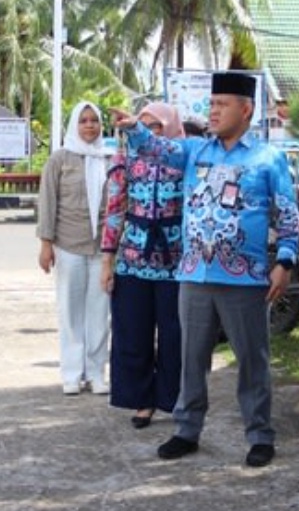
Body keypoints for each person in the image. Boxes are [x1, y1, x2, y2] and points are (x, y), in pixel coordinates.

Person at [112, 72, 299, 468]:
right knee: (190, 358)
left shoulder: (268, 158)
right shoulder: (196, 151)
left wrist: (284, 261)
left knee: (252, 360)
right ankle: (186, 429)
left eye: (222, 104)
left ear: (246, 109)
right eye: (211, 104)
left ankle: (260, 434)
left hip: (245, 280)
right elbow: (159, 148)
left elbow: (287, 215)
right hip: (194, 275)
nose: (212, 111)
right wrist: (135, 130)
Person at [100, 102, 185, 429]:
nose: (150, 133)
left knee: (174, 336)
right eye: (144, 126)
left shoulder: (184, 158)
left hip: (176, 262)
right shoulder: (124, 160)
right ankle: (142, 400)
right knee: (132, 334)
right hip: (133, 261)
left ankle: (173, 398)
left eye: (157, 126)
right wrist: (107, 261)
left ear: (170, 128)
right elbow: (115, 210)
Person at [36, 101, 111, 396]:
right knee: (70, 312)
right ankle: (71, 373)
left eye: (94, 120)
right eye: (84, 121)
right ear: (74, 126)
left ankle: (96, 373)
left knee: (100, 312)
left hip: (102, 249)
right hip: (68, 244)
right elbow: (47, 202)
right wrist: (46, 245)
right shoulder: (60, 159)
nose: (90, 126)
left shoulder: (109, 158)